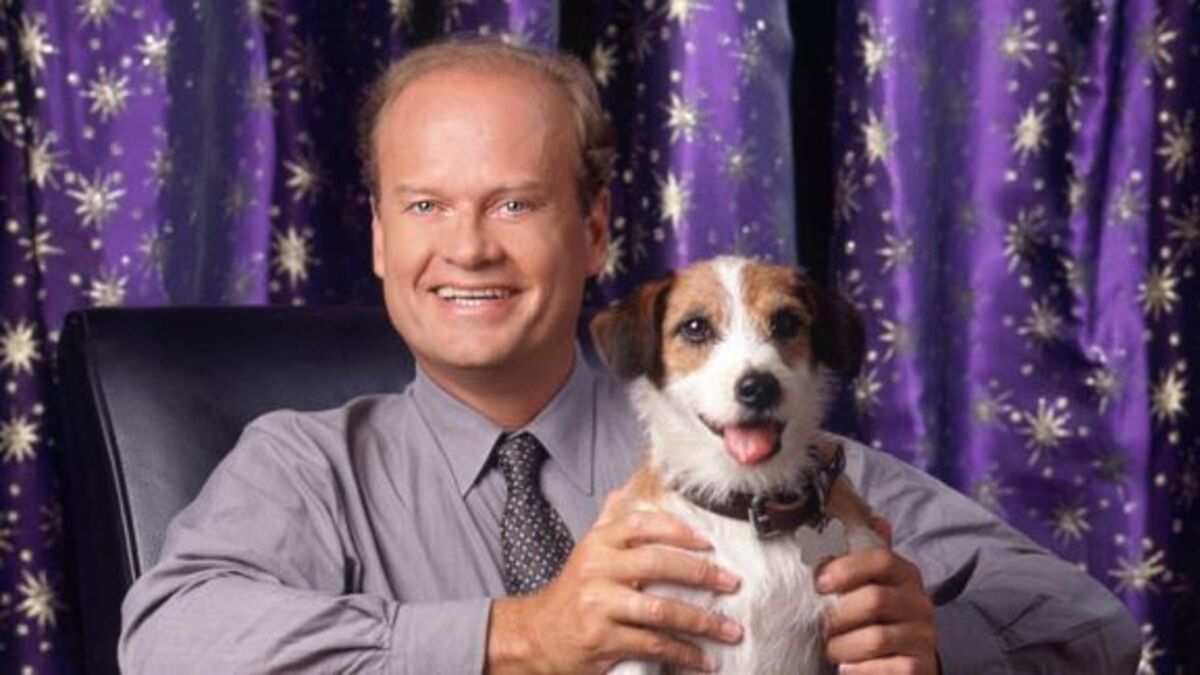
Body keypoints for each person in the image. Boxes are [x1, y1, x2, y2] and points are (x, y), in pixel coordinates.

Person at [119, 39, 1140, 674]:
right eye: (424, 205)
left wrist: (932, 641)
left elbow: (1094, 626)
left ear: (594, 229)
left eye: (515, 203)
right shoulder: (306, 465)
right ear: (381, 237)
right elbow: (165, 643)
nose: (467, 247)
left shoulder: (763, 454)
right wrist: (517, 638)